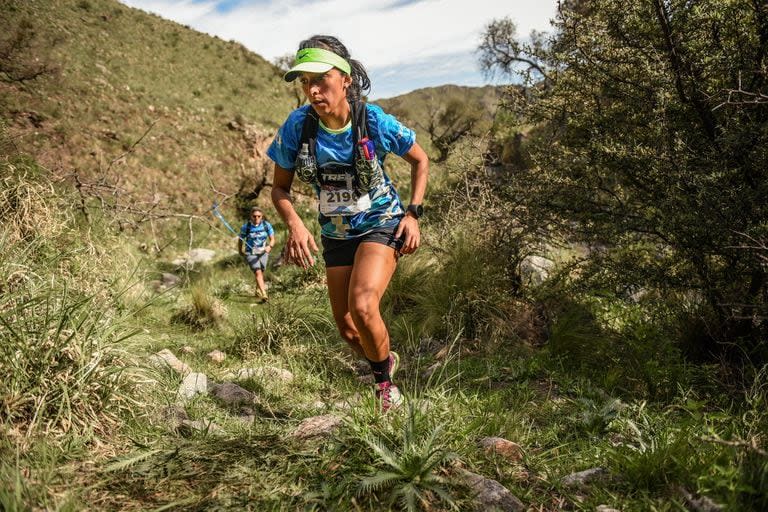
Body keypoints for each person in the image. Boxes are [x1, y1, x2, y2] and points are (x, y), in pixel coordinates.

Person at [268, 35, 428, 412]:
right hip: (336, 232)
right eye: (306, 81)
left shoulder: (372, 120)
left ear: (345, 79)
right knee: (348, 328)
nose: (313, 89)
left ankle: (385, 389)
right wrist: (295, 224)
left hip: (381, 221)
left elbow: (420, 161)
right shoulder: (298, 126)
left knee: (363, 304)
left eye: (321, 79)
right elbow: (279, 188)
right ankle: (384, 359)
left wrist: (413, 213)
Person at [238, 206, 275, 301]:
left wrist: (269, 246)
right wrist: (240, 250)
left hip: (263, 252)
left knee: (261, 271)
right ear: (251, 216)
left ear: (262, 216)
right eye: (254, 216)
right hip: (251, 252)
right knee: (258, 271)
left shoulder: (267, 225)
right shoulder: (246, 227)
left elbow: (272, 239)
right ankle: (264, 294)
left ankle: (258, 289)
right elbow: (240, 240)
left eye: (259, 216)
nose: (256, 218)